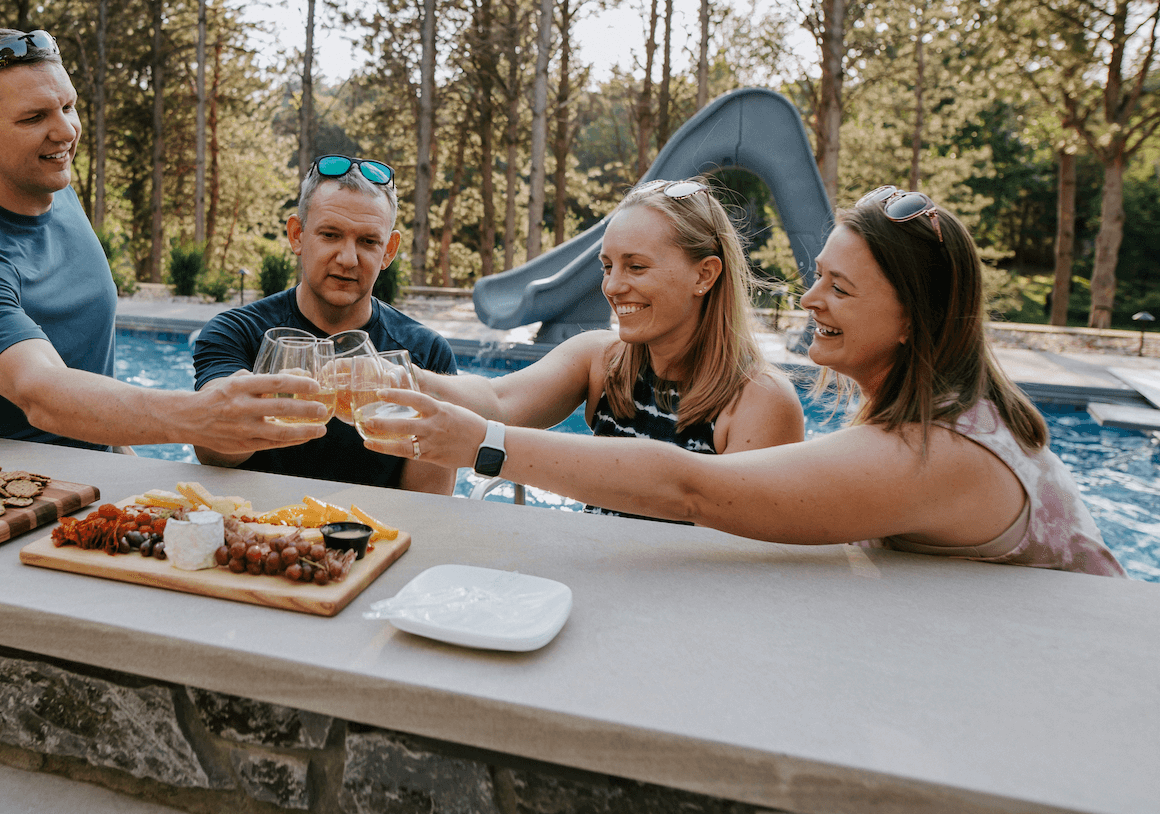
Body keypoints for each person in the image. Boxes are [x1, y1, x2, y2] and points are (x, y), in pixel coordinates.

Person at [370, 187, 1127, 577]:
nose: (808, 301)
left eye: (839, 289)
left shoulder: (937, 450)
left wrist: (489, 446)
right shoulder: (939, 417)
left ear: (911, 319)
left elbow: (692, 490)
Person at [0, 27, 327, 460]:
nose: (65, 131)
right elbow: (41, 393)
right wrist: (195, 414)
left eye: (68, 106)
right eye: (33, 118)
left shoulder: (58, 193)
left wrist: (126, 460)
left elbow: (86, 376)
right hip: (0, 496)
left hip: (91, 474)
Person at [411, 178, 803, 519]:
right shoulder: (601, 360)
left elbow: (723, 526)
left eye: (635, 267)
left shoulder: (761, 401)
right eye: (607, 266)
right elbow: (499, 399)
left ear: (704, 274)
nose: (612, 287)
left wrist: (488, 444)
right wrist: (401, 377)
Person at [191, 155, 459, 491]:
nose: (348, 259)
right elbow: (212, 453)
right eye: (330, 235)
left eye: (368, 241)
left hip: (375, 538)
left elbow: (429, 500)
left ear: (388, 251)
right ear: (297, 235)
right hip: (260, 534)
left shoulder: (425, 353)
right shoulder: (236, 332)